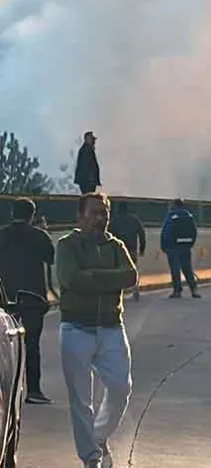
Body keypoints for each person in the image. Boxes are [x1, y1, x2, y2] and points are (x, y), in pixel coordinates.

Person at [57, 192, 137, 468]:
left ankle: (99, 436)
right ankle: (90, 457)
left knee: (120, 387)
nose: (100, 218)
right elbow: (70, 279)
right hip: (76, 328)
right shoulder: (67, 245)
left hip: (112, 327)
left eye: (104, 213)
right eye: (94, 213)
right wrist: (108, 280)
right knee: (80, 399)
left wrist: (92, 276)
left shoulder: (116, 246)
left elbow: (131, 276)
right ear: (80, 217)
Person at [0, 198, 56, 404]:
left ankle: (5, 390)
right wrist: (44, 232)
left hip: (6, 298)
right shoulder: (39, 236)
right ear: (32, 214)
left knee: (3, 346)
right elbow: (50, 258)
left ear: (12, 212)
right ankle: (33, 390)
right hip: (33, 297)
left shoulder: (2, 234)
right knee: (32, 344)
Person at [160, 198, 200, 299]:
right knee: (187, 268)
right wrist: (190, 243)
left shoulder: (172, 216)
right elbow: (194, 231)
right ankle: (194, 289)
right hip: (186, 245)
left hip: (173, 247)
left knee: (175, 269)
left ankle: (177, 291)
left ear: (174, 205)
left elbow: (166, 231)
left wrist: (164, 245)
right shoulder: (189, 216)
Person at [108, 202, 146, 301]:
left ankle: (119, 292)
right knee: (133, 269)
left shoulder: (114, 220)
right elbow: (142, 234)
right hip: (132, 249)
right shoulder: (134, 219)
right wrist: (142, 248)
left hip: (118, 250)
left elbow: (108, 235)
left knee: (118, 271)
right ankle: (135, 290)